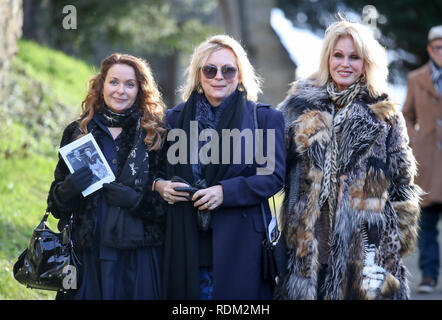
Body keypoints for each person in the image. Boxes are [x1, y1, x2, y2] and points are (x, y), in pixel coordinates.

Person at [275, 20, 423, 300]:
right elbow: (271, 163)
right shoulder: (298, 106)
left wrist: (396, 242)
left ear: (367, 62)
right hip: (308, 247)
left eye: (354, 57)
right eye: (338, 55)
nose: (345, 63)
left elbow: (403, 183)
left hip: (367, 249)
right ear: (327, 58)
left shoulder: (384, 114)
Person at [153, 34, 286, 299]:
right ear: (199, 75)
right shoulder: (172, 119)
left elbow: (272, 176)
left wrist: (225, 192)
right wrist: (160, 185)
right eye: (210, 69)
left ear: (239, 75)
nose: (219, 77)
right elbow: (152, 171)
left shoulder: (265, 118)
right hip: (186, 245)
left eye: (228, 70)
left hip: (243, 246)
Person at [46, 53, 167, 299]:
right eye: (114, 82)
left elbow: (169, 204)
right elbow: (55, 206)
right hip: (86, 254)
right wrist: (68, 189)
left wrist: (136, 201)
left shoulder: (156, 136)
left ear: (140, 90)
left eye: (129, 84)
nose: (120, 90)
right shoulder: (77, 131)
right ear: (102, 86)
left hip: (137, 256)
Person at [403, 25, 442, 294]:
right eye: (438, 47)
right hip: (427, 163)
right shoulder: (416, 79)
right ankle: (428, 276)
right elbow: (406, 114)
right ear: (430, 49)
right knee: (426, 225)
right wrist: (414, 141)